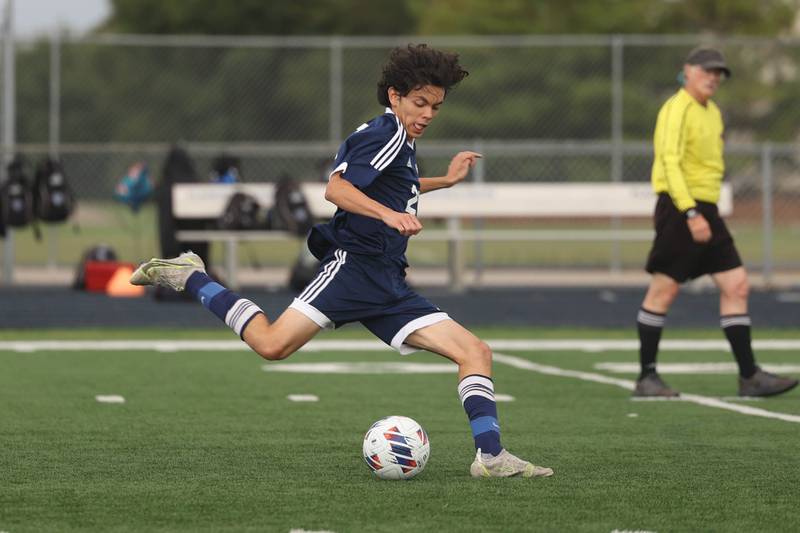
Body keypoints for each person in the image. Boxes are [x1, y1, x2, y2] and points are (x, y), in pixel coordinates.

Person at [131, 44, 553, 479]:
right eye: (420, 102)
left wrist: (443, 181)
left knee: (475, 352)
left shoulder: (401, 141)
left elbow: (397, 187)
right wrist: (389, 215)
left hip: (387, 281)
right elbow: (336, 189)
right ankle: (191, 276)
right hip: (352, 270)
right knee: (272, 345)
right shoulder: (386, 132)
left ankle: (490, 458)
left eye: (436, 106)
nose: (428, 113)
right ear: (395, 96)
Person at [634, 46, 798, 398]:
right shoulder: (676, 108)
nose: (713, 77)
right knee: (664, 290)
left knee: (737, 284)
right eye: (706, 70)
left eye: (718, 72)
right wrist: (690, 212)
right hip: (681, 208)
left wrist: (705, 211)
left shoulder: (713, 112)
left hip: (708, 209)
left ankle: (749, 376)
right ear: (687, 71)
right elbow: (670, 163)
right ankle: (646, 376)